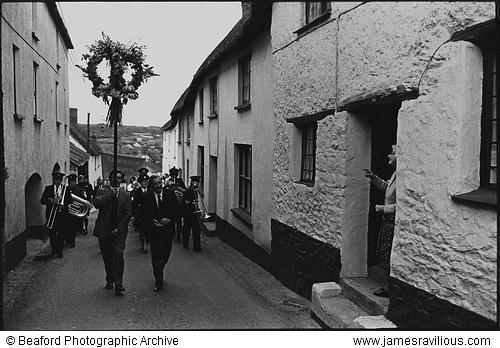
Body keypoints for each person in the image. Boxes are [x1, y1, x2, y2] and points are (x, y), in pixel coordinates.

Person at [363, 145, 398, 298]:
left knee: (388, 254)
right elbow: (386, 188)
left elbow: (401, 205)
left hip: (393, 221)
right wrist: (374, 178)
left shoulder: (402, 177)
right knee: (384, 254)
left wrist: (382, 208)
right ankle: (386, 285)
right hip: (387, 221)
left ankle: (389, 287)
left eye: (392, 153)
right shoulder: (395, 174)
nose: (388, 156)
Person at [93, 170, 132, 296]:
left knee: (118, 256)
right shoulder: (102, 191)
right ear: (109, 179)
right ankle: (110, 277)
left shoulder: (126, 195)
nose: (117, 180)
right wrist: (110, 194)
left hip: (119, 232)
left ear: (122, 180)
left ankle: (119, 284)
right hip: (104, 230)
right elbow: (97, 203)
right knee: (107, 257)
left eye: (119, 178)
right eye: (114, 178)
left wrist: (119, 228)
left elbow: (127, 214)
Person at [141, 175, 180, 292]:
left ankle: (160, 269)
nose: (158, 185)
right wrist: (151, 221)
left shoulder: (170, 194)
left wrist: (169, 219)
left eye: (159, 183)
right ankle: (158, 280)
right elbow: (142, 214)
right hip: (154, 232)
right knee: (156, 256)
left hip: (167, 232)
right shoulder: (146, 197)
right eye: (156, 184)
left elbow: (177, 211)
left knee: (166, 254)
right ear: (152, 185)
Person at [40, 169, 71, 258]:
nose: (58, 182)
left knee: (61, 234)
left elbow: (70, 200)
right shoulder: (48, 189)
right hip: (51, 216)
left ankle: (59, 250)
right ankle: (54, 250)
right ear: (53, 180)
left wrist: (63, 205)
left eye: (59, 180)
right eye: (56, 180)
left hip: (62, 216)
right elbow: (42, 201)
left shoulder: (66, 189)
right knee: (52, 234)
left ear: (61, 180)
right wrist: (51, 200)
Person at [180, 175, 202, 252]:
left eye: (198, 182)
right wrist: (191, 203)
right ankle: (187, 244)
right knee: (188, 229)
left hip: (194, 213)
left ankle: (196, 246)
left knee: (195, 230)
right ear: (192, 182)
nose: (197, 184)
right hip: (188, 213)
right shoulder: (189, 190)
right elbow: (184, 201)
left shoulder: (195, 190)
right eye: (196, 182)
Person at [166, 167, 186, 242]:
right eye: (172, 175)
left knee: (179, 220)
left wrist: (178, 188)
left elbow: (185, 190)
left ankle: (178, 236)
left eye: (175, 175)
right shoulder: (168, 181)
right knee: (171, 220)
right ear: (171, 175)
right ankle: (172, 233)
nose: (174, 177)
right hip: (171, 204)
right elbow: (165, 190)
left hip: (179, 203)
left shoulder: (180, 180)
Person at [131, 174, 150, 253]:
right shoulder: (137, 191)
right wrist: (134, 214)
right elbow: (134, 203)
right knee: (142, 230)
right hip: (141, 214)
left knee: (148, 230)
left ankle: (147, 243)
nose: (145, 183)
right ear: (140, 183)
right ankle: (143, 243)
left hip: (149, 214)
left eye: (146, 181)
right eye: (143, 181)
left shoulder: (151, 190)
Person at [65, 172, 84, 246]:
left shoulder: (79, 189)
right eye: (70, 182)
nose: (71, 183)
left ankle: (72, 241)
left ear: (75, 182)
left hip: (75, 210)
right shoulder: (66, 189)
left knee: (73, 227)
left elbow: (82, 199)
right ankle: (67, 240)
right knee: (66, 226)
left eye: (73, 182)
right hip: (67, 211)